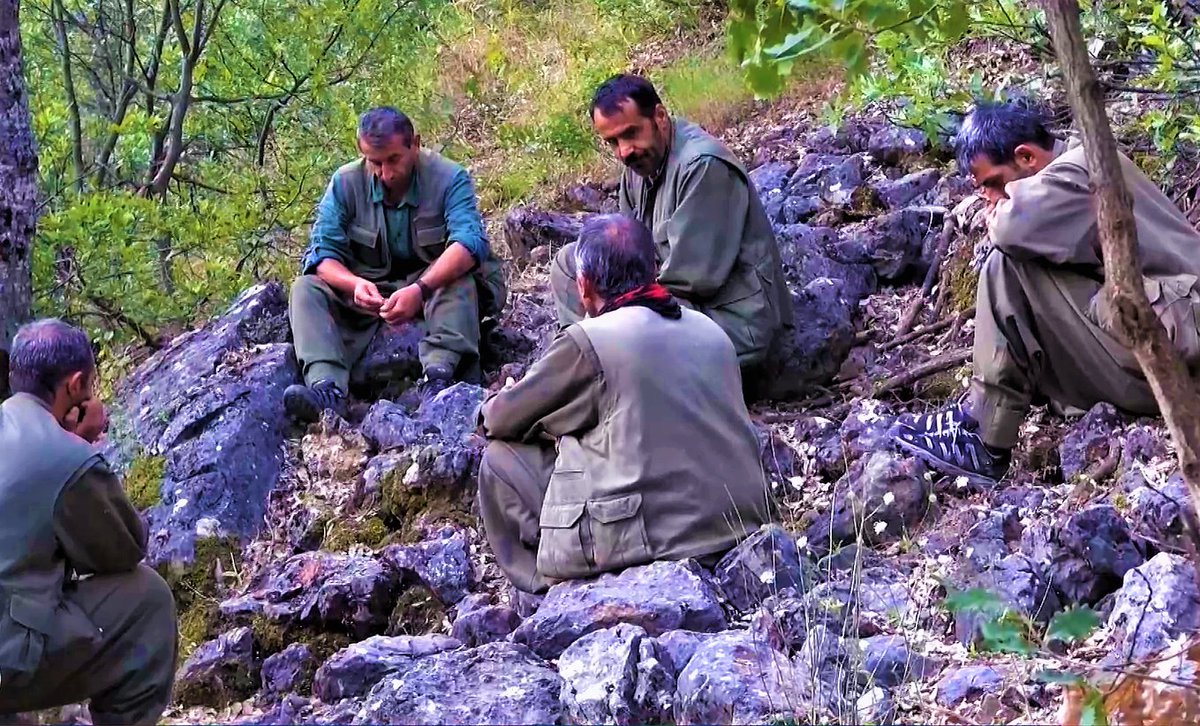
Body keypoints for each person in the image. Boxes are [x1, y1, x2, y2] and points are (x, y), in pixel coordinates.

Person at [894, 100, 1200, 484]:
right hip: (1165, 345)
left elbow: (1010, 229)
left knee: (1009, 266)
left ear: (1025, 156)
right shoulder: (1085, 162)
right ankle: (978, 416)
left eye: (991, 183)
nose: (989, 197)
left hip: (1177, 366)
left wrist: (997, 214)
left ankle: (985, 437)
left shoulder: (1081, 170)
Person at [478, 214, 773, 593]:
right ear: (654, 270)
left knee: (500, 459)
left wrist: (494, 403)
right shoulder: (710, 329)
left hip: (649, 541)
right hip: (740, 524)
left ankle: (546, 590)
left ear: (583, 286)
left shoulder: (589, 341)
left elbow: (503, 420)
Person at [550, 74, 795, 399]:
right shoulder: (639, 167)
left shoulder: (703, 166)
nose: (624, 151)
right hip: (671, 305)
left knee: (626, 323)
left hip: (730, 324)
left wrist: (608, 313)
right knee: (571, 264)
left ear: (660, 117)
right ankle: (588, 366)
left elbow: (692, 281)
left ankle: (592, 376)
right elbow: (625, 252)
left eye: (630, 134)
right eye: (612, 142)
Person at [0, 320, 177, 725]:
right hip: (7, 663)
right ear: (77, 385)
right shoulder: (63, 455)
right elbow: (125, 549)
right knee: (147, 600)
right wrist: (82, 448)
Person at [286, 107, 507, 421]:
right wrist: (354, 285)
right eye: (374, 162)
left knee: (460, 278)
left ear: (414, 144)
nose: (385, 173)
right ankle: (327, 389)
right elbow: (321, 255)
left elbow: (469, 244)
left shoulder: (449, 177)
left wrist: (420, 289)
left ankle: (441, 379)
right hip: (370, 295)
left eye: (393, 160)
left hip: (432, 290)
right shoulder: (345, 183)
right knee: (305, 288)